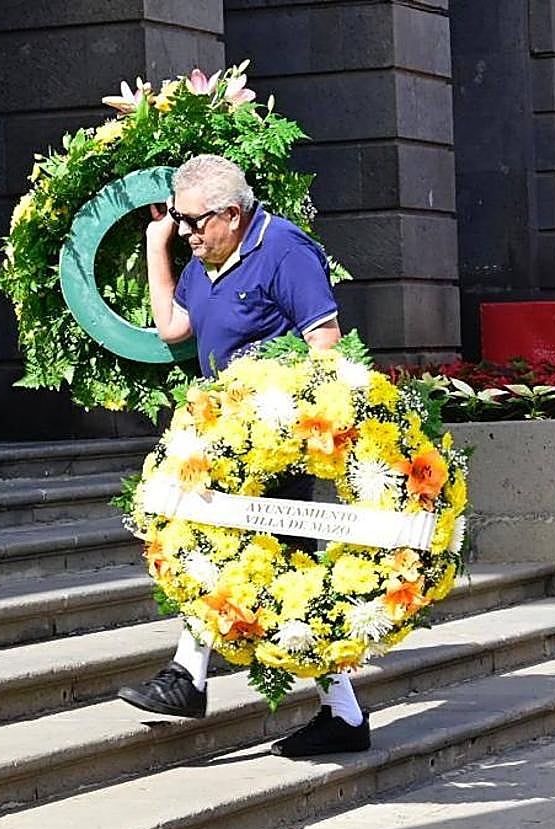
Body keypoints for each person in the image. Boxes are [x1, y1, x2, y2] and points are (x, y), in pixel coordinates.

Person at [116, 154, 370, 758]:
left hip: (274, 446)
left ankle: (191, 678)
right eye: (180, 220)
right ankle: (339, 711)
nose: (187, 232)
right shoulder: (205, 258)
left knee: (243, 558)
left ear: (232, 213)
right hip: (221, 439)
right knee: (253, 564)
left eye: (194, 221)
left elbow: (326, 349)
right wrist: (159, 246)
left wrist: (273, 413)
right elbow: (176, 325)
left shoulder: (285, 250)